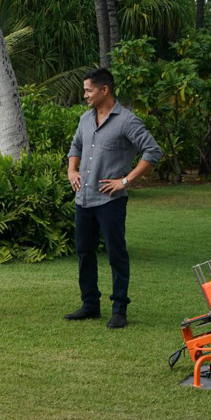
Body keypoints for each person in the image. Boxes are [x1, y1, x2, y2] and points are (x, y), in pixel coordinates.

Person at [64, 68, 162, 329]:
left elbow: (152, 151)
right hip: (83, 199)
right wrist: (72, 169)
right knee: (85, 252)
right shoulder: (85, 119)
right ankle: (90, 305)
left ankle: (119, 309)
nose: (84, 95)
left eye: (88, 90)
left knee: (116, 254)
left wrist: (126, 181)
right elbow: (76, 147)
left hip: (110, 201)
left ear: (104, 90)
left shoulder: (127, 121)